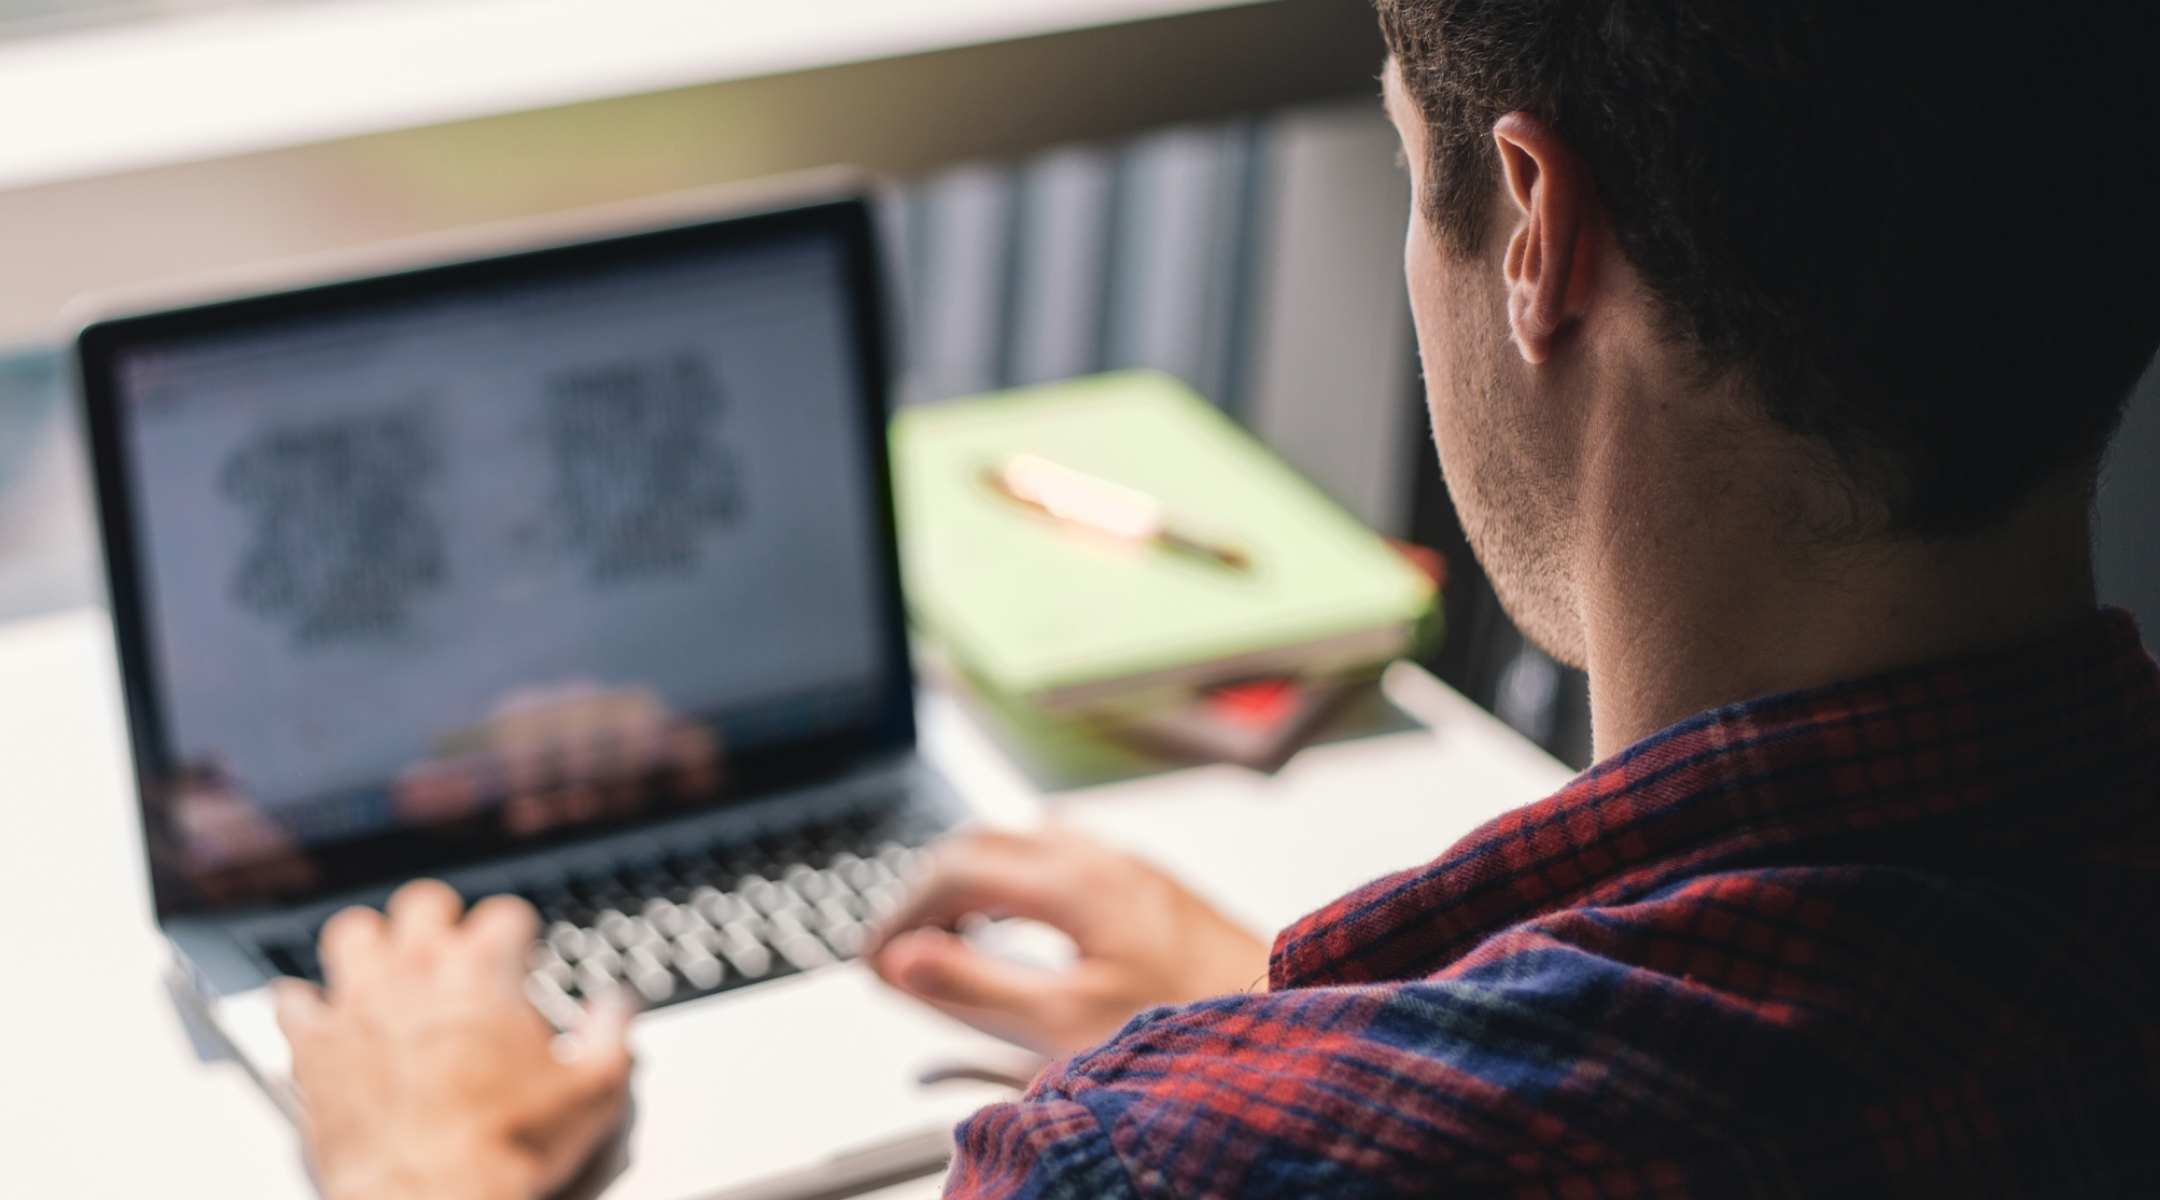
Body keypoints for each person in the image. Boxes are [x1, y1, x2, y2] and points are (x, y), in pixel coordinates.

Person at [272, 0, 2160, 1195]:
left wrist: (422, 1168)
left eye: (1412, 168)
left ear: (1536, 233)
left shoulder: (1155, 1174)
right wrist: (1313, 1019)